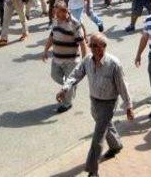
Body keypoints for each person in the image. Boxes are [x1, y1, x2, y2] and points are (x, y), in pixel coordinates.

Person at [57, 33, 134, 177]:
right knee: (104, 125)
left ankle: (93, 170)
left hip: (108, 103)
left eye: (94, 46)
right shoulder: (87, 60)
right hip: (94, 100)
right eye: (90, 45)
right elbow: (76, 74)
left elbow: (123, 86)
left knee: (98, 137)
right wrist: (65, 88)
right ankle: (116, 144)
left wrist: (128, 106)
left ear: (103, 47)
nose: (91, 48)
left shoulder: (114, 64)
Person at [42, 2, 88, 113]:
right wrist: (45, 50)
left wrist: (85, 61)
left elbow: (82, 44)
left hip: (71, 61)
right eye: (55, 12)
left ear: (65, 11)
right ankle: (69, 87)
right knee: (55, 76)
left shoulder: (75, 24)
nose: (55, 14)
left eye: (57, 12)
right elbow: (51, 36)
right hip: (57, 59)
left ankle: (67, 103)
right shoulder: (56, 20)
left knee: (69, 82)